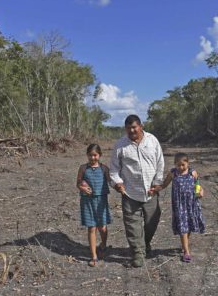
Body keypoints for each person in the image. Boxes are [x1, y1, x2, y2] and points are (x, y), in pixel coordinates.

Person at [109, 115, 164, 268]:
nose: (131, 130)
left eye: (134, 127)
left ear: (141, 126)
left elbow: (160, 163)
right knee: (132, 225)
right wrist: (118, 183)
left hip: (150, 191)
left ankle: (145, 243)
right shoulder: (120, 145)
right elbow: (114, 169)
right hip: (130, 192)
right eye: (128, 128)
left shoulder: (152, 141)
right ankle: (138, 253)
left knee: (151, 222)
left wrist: (157, 183)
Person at [153, 152, 205, 263]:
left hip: (191, 203)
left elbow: (198, 184)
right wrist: (155, 189)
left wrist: (201, 191)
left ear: (188, 163)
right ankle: (186, 251)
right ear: (175, 164)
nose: (181, 167)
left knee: (189, 224)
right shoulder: (173, 173)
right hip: (179, 204)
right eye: (178, 165)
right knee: (183, 226)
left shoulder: (193, 172)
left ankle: (184, 245)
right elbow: (164, 185)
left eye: (183, 165)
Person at [77, 143, 111, 267]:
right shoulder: (83, 168)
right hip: (87, 202)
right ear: (87, 155)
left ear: (100, 155)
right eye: (90, 155)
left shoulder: (104, 168)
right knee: (91, 228)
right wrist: (82, 188)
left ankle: (103, 244)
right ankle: (94, 256)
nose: (93, 158)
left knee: (102, 227)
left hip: (101, 201)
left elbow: (111, 182)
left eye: (95, 155)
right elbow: (78, 183)